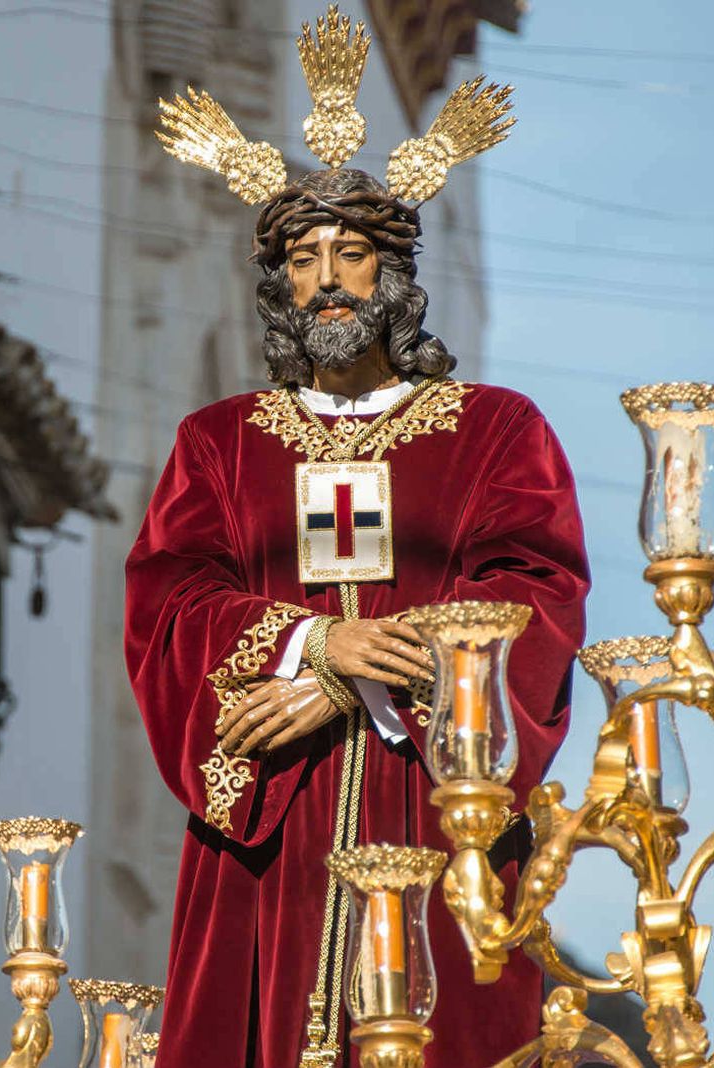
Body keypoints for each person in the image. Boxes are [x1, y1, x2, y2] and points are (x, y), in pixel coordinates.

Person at [124, 11, 590, 1065]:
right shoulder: (221, 442)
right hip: (269, 832)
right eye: (303, 258)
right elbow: (167, 604)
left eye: (352, 254)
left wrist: (354, 681)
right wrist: (309, 643)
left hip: (431, 802)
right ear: (281, 284)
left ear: (395, 278)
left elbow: (531, 590)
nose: (328, 277)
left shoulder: (492, 429)